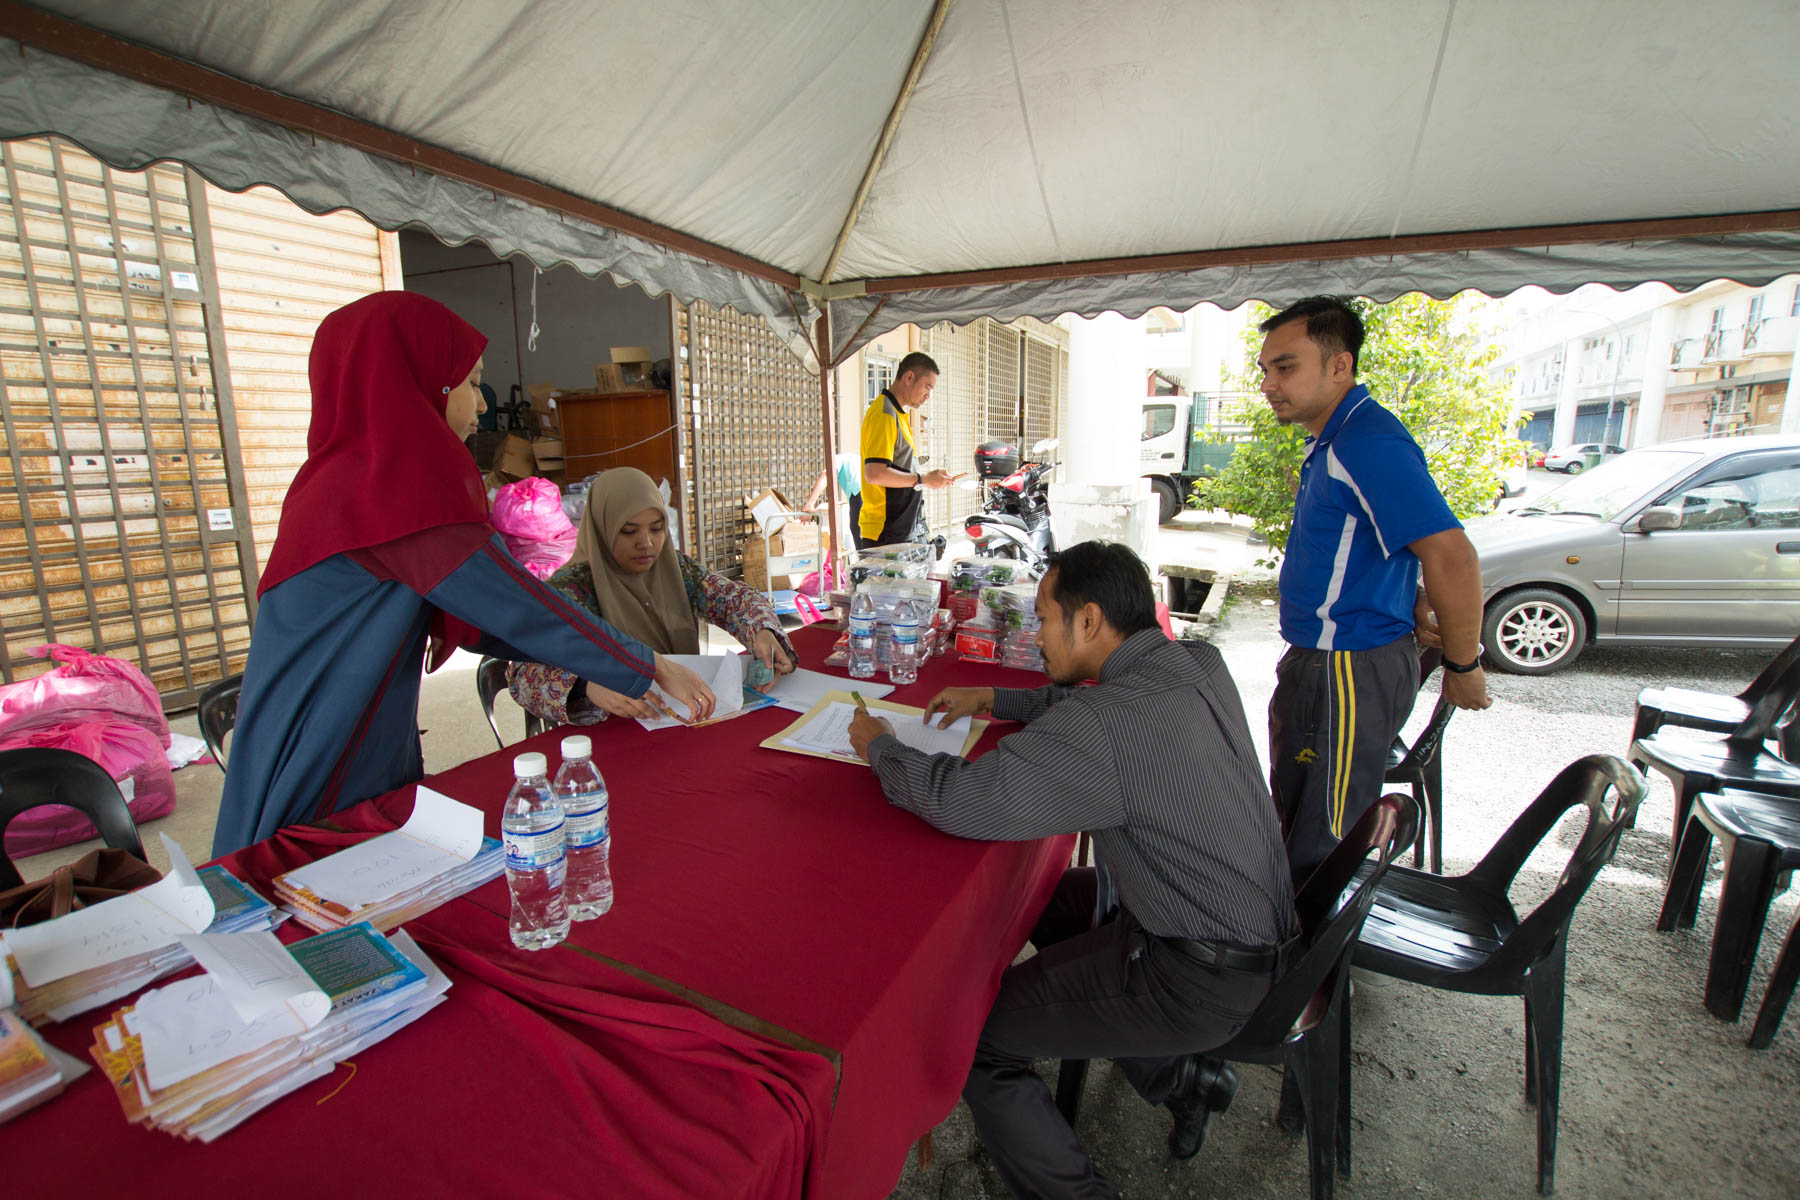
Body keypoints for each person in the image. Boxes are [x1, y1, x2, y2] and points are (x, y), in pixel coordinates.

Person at [846, 541, 1295, 1199]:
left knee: (978, 1039)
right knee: (1042, 900)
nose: (1037, 634)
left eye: (1045, 618)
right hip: (1244, 928)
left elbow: (961, 799)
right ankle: (1183, 1080)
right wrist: (997, 697)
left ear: (1088, 622)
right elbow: (1083, 708)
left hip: (1196, 974)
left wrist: (882, 748)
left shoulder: (1104, 724)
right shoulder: (1198, 662)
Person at [212, 293, 715, 857]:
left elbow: (485, 622)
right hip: (324, 739)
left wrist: (599, 666)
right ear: (418, 382)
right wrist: (645, 665)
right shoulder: (389, 494)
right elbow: (515, 606)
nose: (481, 406)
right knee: (305, 878)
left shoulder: (344, 481)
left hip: (352, 723)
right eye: (472, 384)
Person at [1255, 295, 1492, 882]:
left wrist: (1464, 663)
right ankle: (1290, 954)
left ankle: (1311, 970)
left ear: (1340, 366)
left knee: (1324, 838)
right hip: (1331, 659)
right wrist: (1403, 595)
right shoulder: (1337, 438)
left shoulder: (1367, 442)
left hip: (1346, 668)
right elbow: (1386, 545)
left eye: (1285, 367)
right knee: (1296, 819)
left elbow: (1452, 557)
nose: (1268, 384)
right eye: (1265, 369)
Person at [507, 467, 797, 723]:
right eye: (629, 532)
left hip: (687, 717)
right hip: (615, 736)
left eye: (657, 529)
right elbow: (523, 674)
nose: (646, 544)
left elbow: (733, 599)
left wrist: (761, 631)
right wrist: (588, 686)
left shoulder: (675, 568)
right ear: (601, 530)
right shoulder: (571, 589)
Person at [852, 352, 960, 548]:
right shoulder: (884, 414)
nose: (928, 395)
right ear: (909, 377)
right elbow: (875, 474)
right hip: (885, 531)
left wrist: (925, 477)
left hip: (900, 528)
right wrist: (923, 479)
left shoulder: (898, 414)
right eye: (927, 387)